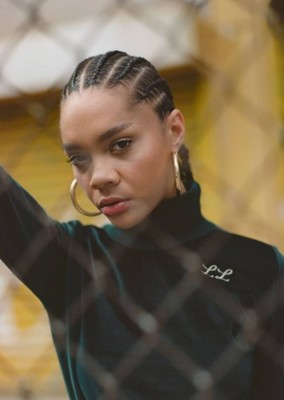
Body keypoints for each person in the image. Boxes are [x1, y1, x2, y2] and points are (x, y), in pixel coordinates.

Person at [0, 50, 284, 400]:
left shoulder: (260, 267)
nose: (100, 177)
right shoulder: (70, 263)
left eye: (120, 145)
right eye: (79, 159)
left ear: (173, 130)